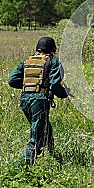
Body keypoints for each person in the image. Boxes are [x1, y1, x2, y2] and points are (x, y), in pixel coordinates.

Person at [8, 36, 70, 165]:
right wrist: (64, 93)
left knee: (45, 128)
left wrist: (30, 86)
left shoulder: (26, 61)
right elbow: (54, 84)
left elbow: (12, 80)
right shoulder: (53, 62)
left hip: (24, 99)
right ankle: (21, 165)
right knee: (38, 136)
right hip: (39, 101)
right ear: (52, 50)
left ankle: (54, 158)